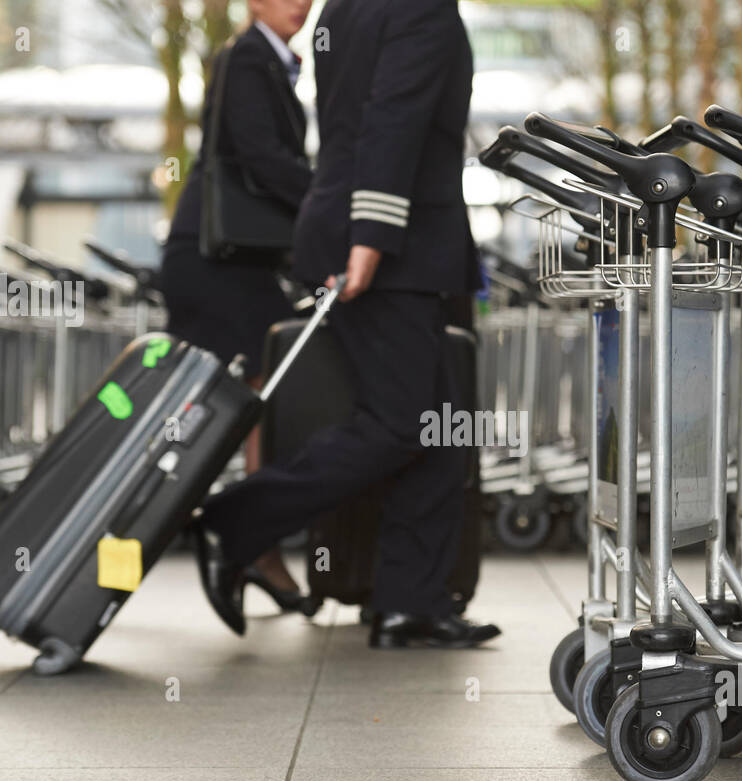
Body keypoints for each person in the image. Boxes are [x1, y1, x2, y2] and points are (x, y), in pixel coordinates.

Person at [192, 0, 500, 649]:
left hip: (385, 239)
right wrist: (372, 236)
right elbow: (390, 123)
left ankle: (408, 600)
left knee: (443, 426)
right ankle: (234, 523)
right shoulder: (418, 12)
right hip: (391, 248)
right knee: (403, 422)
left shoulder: (344, 10)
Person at [160, 0, 312, 613]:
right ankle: (235, 533)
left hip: (233, 262)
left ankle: (249, 537)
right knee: (248, 391)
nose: (299, 5)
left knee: (256, 391)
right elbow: (260, 157)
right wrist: (333, 200)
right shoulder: (248, 57)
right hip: (216, 262)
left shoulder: (262, 60)